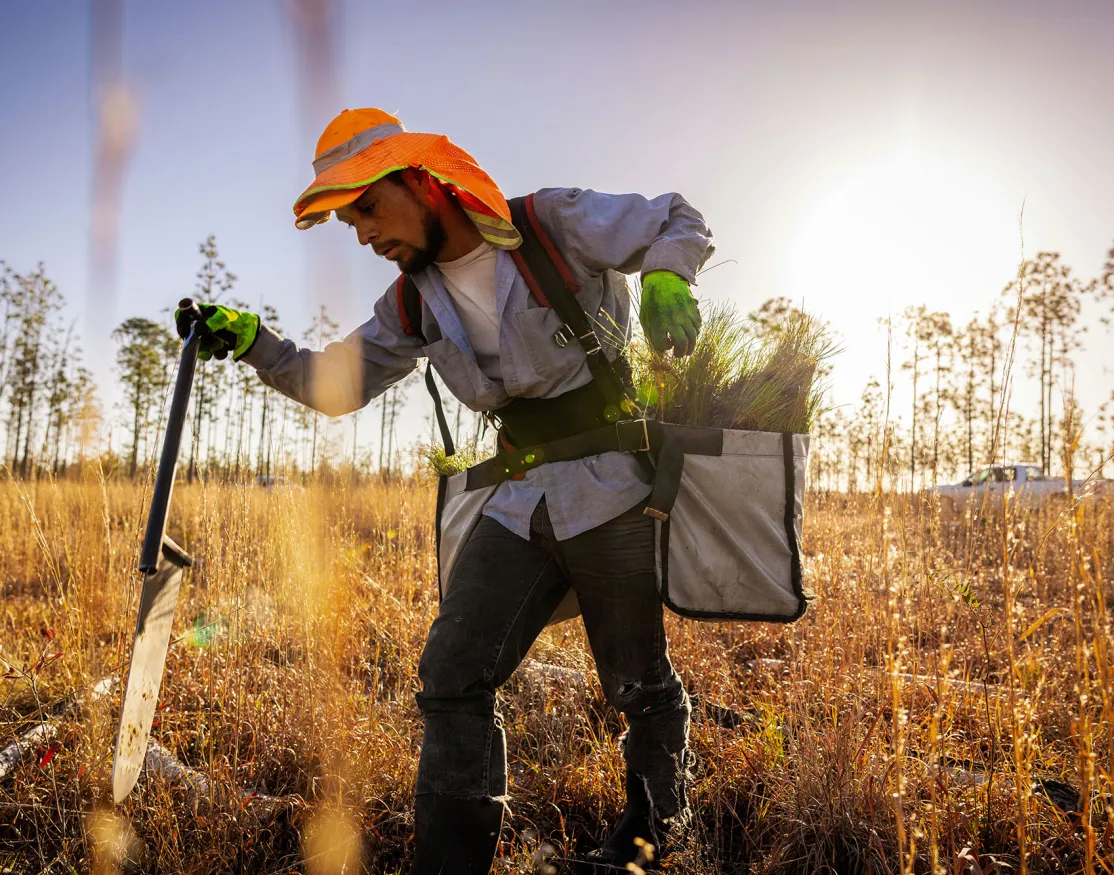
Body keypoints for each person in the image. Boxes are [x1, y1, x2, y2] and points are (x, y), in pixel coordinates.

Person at [178, 108, 713, 874]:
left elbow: (676, 217)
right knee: (451, 671)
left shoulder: (550, 223)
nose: (362, 234)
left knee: (637, 681)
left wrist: (665, 274)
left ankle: (651, 837)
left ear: (424, 182)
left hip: (611, 487)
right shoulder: (412, 300)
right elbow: (335, 387)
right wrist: (256, 342)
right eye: (346, 220)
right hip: (518, 497)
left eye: (366, 207)